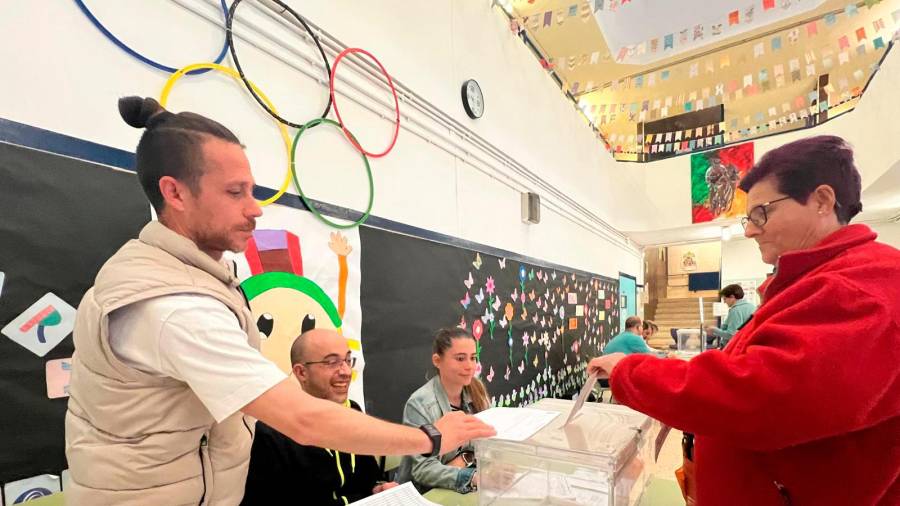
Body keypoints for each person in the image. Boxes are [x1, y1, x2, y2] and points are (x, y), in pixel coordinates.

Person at [65, 97, 494, 505]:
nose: (256, 209)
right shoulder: (170, 305)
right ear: (175, 193)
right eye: (235, 193)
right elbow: (304, 421)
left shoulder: (200, 278)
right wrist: (431, 438)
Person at [589, 135, 900, 505]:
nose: (751, 229)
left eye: (761, 214)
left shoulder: (862, 287)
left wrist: (632, 372)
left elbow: (756, 395)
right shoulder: (816, 281)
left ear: (822, 200)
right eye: (748, 218)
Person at [242, 329, 398, 504]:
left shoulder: (352, 411)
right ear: (301, 373)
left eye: (347, 360)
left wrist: (379, 490)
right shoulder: (272, 433)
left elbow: (368, 479)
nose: (346, 371)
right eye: (332, 362)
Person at [397, 328, 491, 494]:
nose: (469, 366)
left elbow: (486, 442)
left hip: (462, 488)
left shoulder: (477, 391)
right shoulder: (420, 404)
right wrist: (473, 476)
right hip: (425, 494)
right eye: (460, 358)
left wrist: (464, 459)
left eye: (473, 358)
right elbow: (423, 469)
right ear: (437, 360)